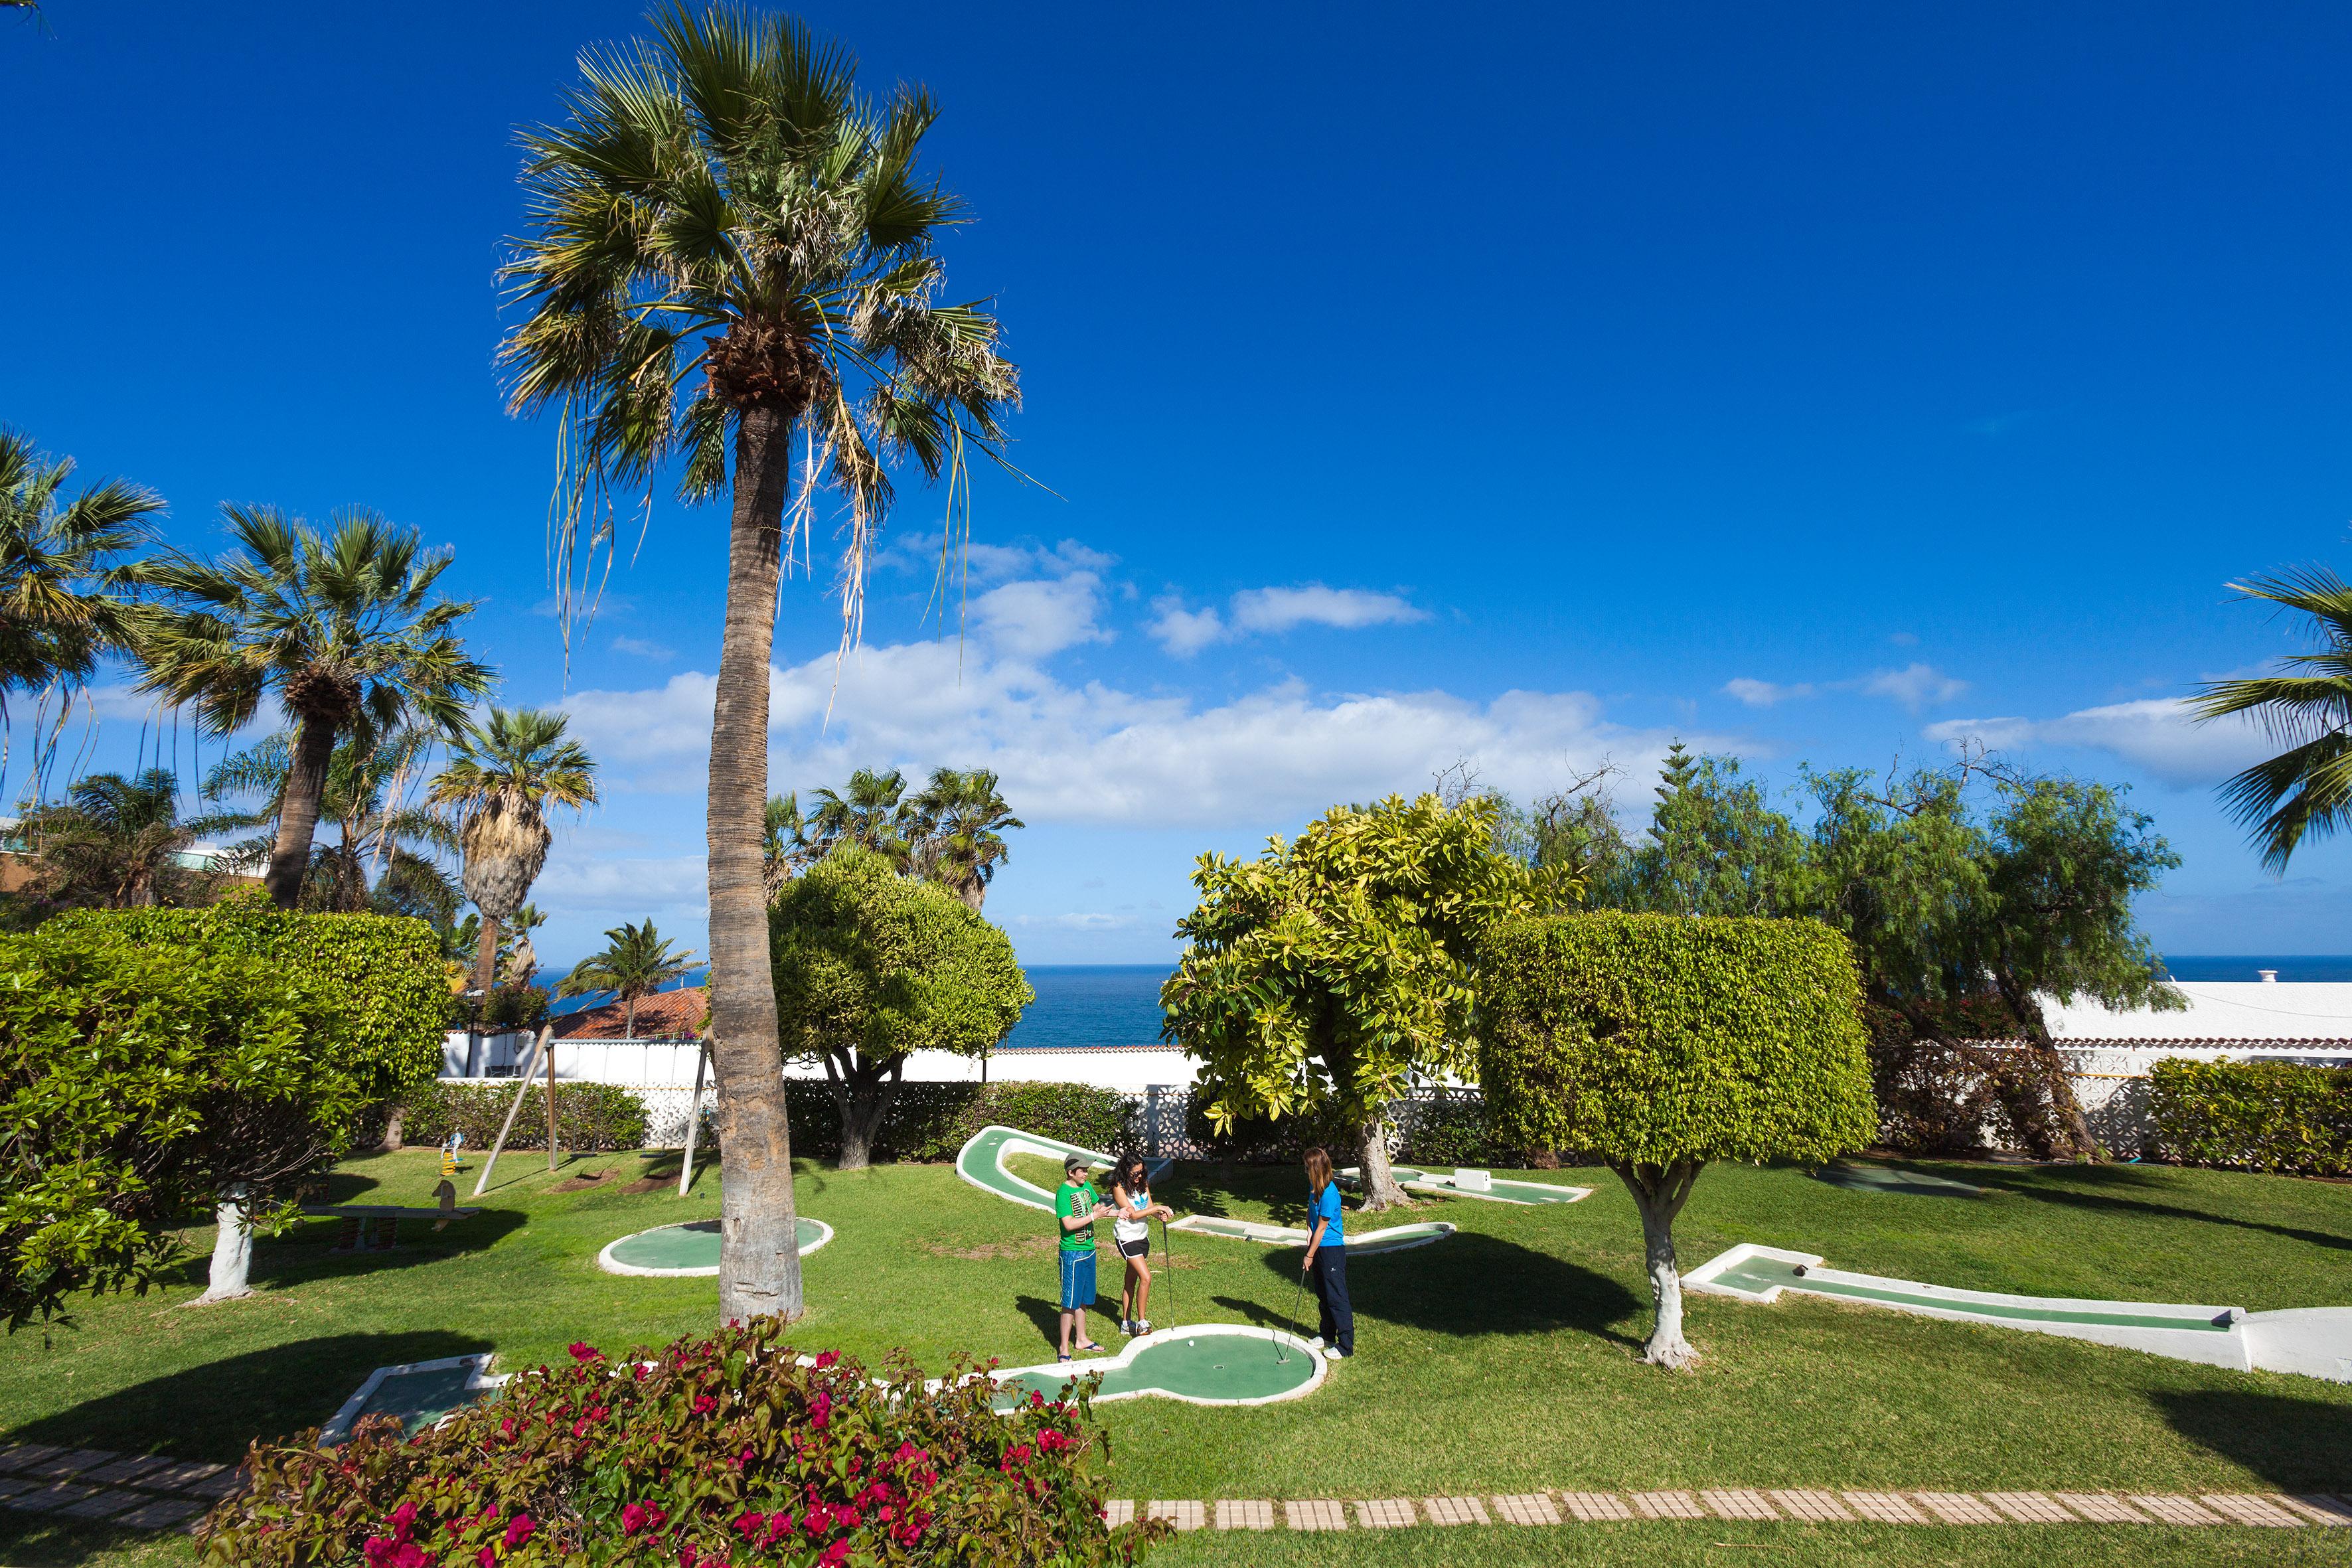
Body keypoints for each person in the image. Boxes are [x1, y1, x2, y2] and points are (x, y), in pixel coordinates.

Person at [1108, 1152, 1174, 1336]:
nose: (1138, 1177)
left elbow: (1148, 1208)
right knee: (1146, 1277)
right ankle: (1142, 1323)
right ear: (1126, 1171)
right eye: (1134, 1174)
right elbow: (1134, 1214)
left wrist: (1159, 1215)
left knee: (1131, 1280)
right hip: (1127, 1238)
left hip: (1142, 1238)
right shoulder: (1118, 1187)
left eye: (1141, 1173)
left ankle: (1125, 1323)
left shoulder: (1143, 1183)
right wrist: (1158, 1208)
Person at [1054, 1154, 1109, 1361]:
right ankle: (1063, 1348)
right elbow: (1068, 1224)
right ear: (1071, 1172)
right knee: (1070, 1301)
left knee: (1083, 1299)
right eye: (1082, 1170)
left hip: (1089, 1250)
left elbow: (1096, 1209)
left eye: (1087, 1169)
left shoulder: (1087, 1187)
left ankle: (1082, 1339)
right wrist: (1095, 1217)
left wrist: (1119, 1213)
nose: (1086, 1173)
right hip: (1072, 1253)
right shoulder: (1064, 1192)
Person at [1300, 1145, 1352, 1360]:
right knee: (1323, 1294)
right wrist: (1308, 1231)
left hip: (1331, 1250)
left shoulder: (1330, 1193)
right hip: (1319, 1246)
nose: (1304, 1171)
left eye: (1306, 1168)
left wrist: (1309, 1254)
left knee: (1336, 1297)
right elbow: (1310, 1216)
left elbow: (1323, 1228)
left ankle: (1346, 1346)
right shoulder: (1314, 1188)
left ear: (1315, 1169)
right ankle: (1327, 1335)